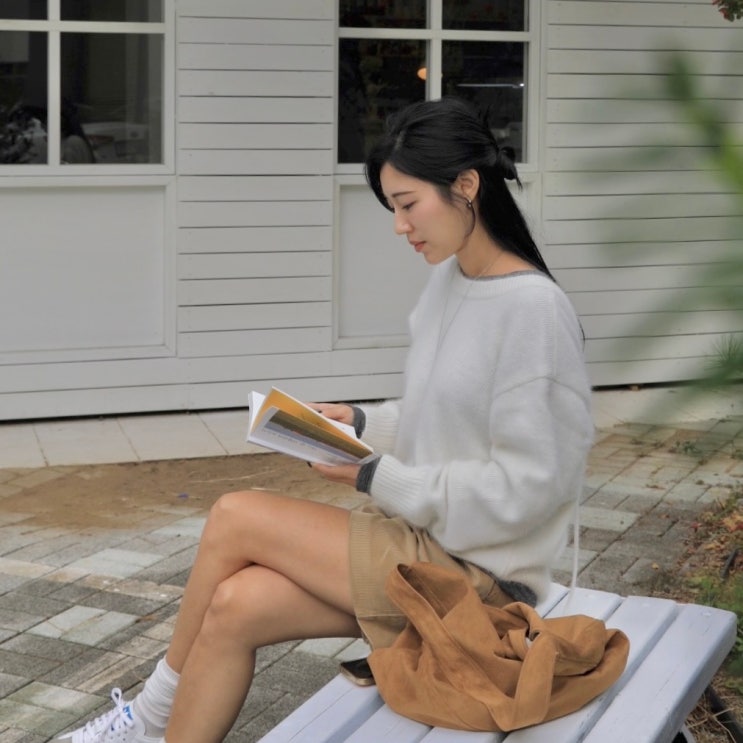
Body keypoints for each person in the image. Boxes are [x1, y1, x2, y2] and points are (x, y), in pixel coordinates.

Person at [54, 96, 594, 743]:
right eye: (392, 208)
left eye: (407, 204)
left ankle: (146, 716)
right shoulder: (455, 284)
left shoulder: (532, 311)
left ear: (467, 186)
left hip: (481, 582)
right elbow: (446, 418)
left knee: (236, 514)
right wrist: (360, 422)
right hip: (428, 546)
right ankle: (152, 729)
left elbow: (529, 488)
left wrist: (374, 475)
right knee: (235, 605)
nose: (399, 226)